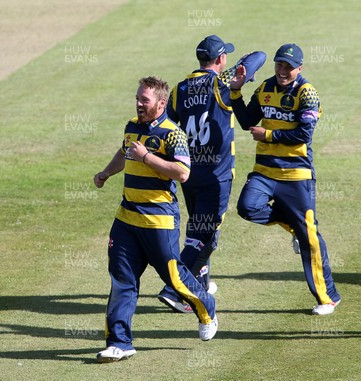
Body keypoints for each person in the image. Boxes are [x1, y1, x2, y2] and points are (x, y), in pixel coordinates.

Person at [93, 76, 218, 362]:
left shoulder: (172, 133)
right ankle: (120, 342)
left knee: (174, 278)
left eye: (144, 100)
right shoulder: (132, 127)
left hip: (158, 222)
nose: (138, 103)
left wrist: (147, 157)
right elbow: (125, 152)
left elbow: (182, 173)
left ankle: (206, 306)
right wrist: (106, 173)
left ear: (161, 104)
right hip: (126, 219)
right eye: (137, 98)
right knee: (122, 281)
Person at [229, 43, 341, 315]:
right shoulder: (266, 88)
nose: (282, 70)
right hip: (264, 170)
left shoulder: (307, 93)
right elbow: (246, 121)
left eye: (288, 67)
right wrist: (235, 91)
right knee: (247, 207)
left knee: (310, 238)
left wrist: (268, 135)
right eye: (279, 64)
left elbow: (303, 135)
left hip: (295, 174)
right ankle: (294, 225)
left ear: (299, 69)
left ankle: (328, 298)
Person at [157, 35, 266, 313]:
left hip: (188, 173)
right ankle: (174, 288)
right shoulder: (223, 83)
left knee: (202, 229)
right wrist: (241, 71)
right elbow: (259, 56)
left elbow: (166, 126)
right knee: (202, 234)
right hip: (216, 175)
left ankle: (200, 282)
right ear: (220, 59)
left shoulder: (179, 90)